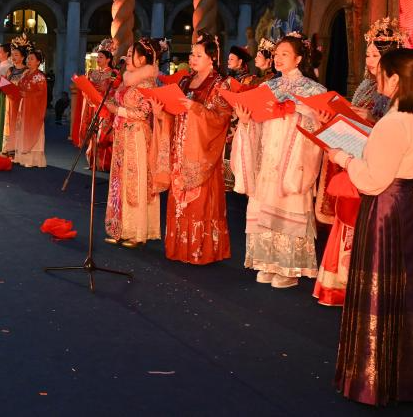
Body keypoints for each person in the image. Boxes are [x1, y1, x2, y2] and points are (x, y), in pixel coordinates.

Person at [329, 49, 413, 406]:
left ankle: (375, 382)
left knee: (381, 288)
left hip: (387, 208)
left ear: (395, 79)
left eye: (383, 72)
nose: (377, 76)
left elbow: (373, 180)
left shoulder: (393, 122)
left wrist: (343, 158)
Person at [313, 17, 402, 307]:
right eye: (367, 54)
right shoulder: (365, 85)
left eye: (375, 55)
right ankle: (340, 281)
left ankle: (361, 282)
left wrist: (368, 119)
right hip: (354, 156)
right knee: (346, 219)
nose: (369, 60)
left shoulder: (396, 92)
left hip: (375, 163)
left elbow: (390, 130)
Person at [232, 35, 325, 289]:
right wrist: (246, 120)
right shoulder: (267, 87)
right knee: (264, 205)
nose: (279, 57)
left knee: (289, 206)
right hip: (268, 156)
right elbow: (258, 121)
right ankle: (267, 262)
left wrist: (295, 112)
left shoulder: (313, 90)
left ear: (298, 58)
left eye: (285, 53)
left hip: (293, 160)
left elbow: (318, 125)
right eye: (277, 53)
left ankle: (288, 267)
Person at [161, 34, 232, 264]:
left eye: (198, 55)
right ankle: (179, 247)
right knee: (179, 200)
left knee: (200, 202)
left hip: (201, 152)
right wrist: (160, 109)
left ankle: (200, 250)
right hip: (180, 149)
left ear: (212, 58)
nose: (192, 58)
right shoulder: (184, 81)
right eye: (192, 54)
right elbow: (174, 111)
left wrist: (195, 109)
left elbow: (221, 119)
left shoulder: (219, 84)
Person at [104, 39, 166, 248]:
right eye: (128, 53)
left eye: (131, 54)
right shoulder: (127, 80)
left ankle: (136, 231)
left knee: (135, 181)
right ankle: (119, 227)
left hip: (137, 136)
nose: (127, 57)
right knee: (119, 179)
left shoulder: (148, 83)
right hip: (123, 134)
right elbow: (117, 100)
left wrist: (118, 110)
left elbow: (143, 112)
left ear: (142, 59)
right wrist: (109, 102)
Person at [74, 44, 117, 172]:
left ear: (108, 59)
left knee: (103, 135)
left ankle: (105, 163)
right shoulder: (91, 72)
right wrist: (89, 92)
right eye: (97, 57)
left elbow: (116, 91)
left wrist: (103, 93)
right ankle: (93, 161)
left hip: (106, 108)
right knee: (93, 132)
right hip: (93, 106)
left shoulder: (114, 74)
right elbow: (85, 88)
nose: (98, 59)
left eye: (101, 57)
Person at [11, 49, 48, 168]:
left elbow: (41, 94)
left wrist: (28, 95)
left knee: (31, 129)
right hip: (23, 106)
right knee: (21, 129)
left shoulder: (39, 76)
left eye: (32, 59)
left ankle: (32, 159)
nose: (29, 61)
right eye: (28, 58)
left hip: (34, 109)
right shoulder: (25, 74)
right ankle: (20, 156)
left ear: (38, 62)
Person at [0, 40, 30, 156]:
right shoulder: (10, 70)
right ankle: (9, 147)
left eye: (16, 55)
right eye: (12, 55)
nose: (13, 57)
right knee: (8, 122)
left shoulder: (26, 71)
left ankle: (18, 148)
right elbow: (5, 82)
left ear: (23, 57)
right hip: (9, 99)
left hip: (20, 101)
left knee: (18, 123)